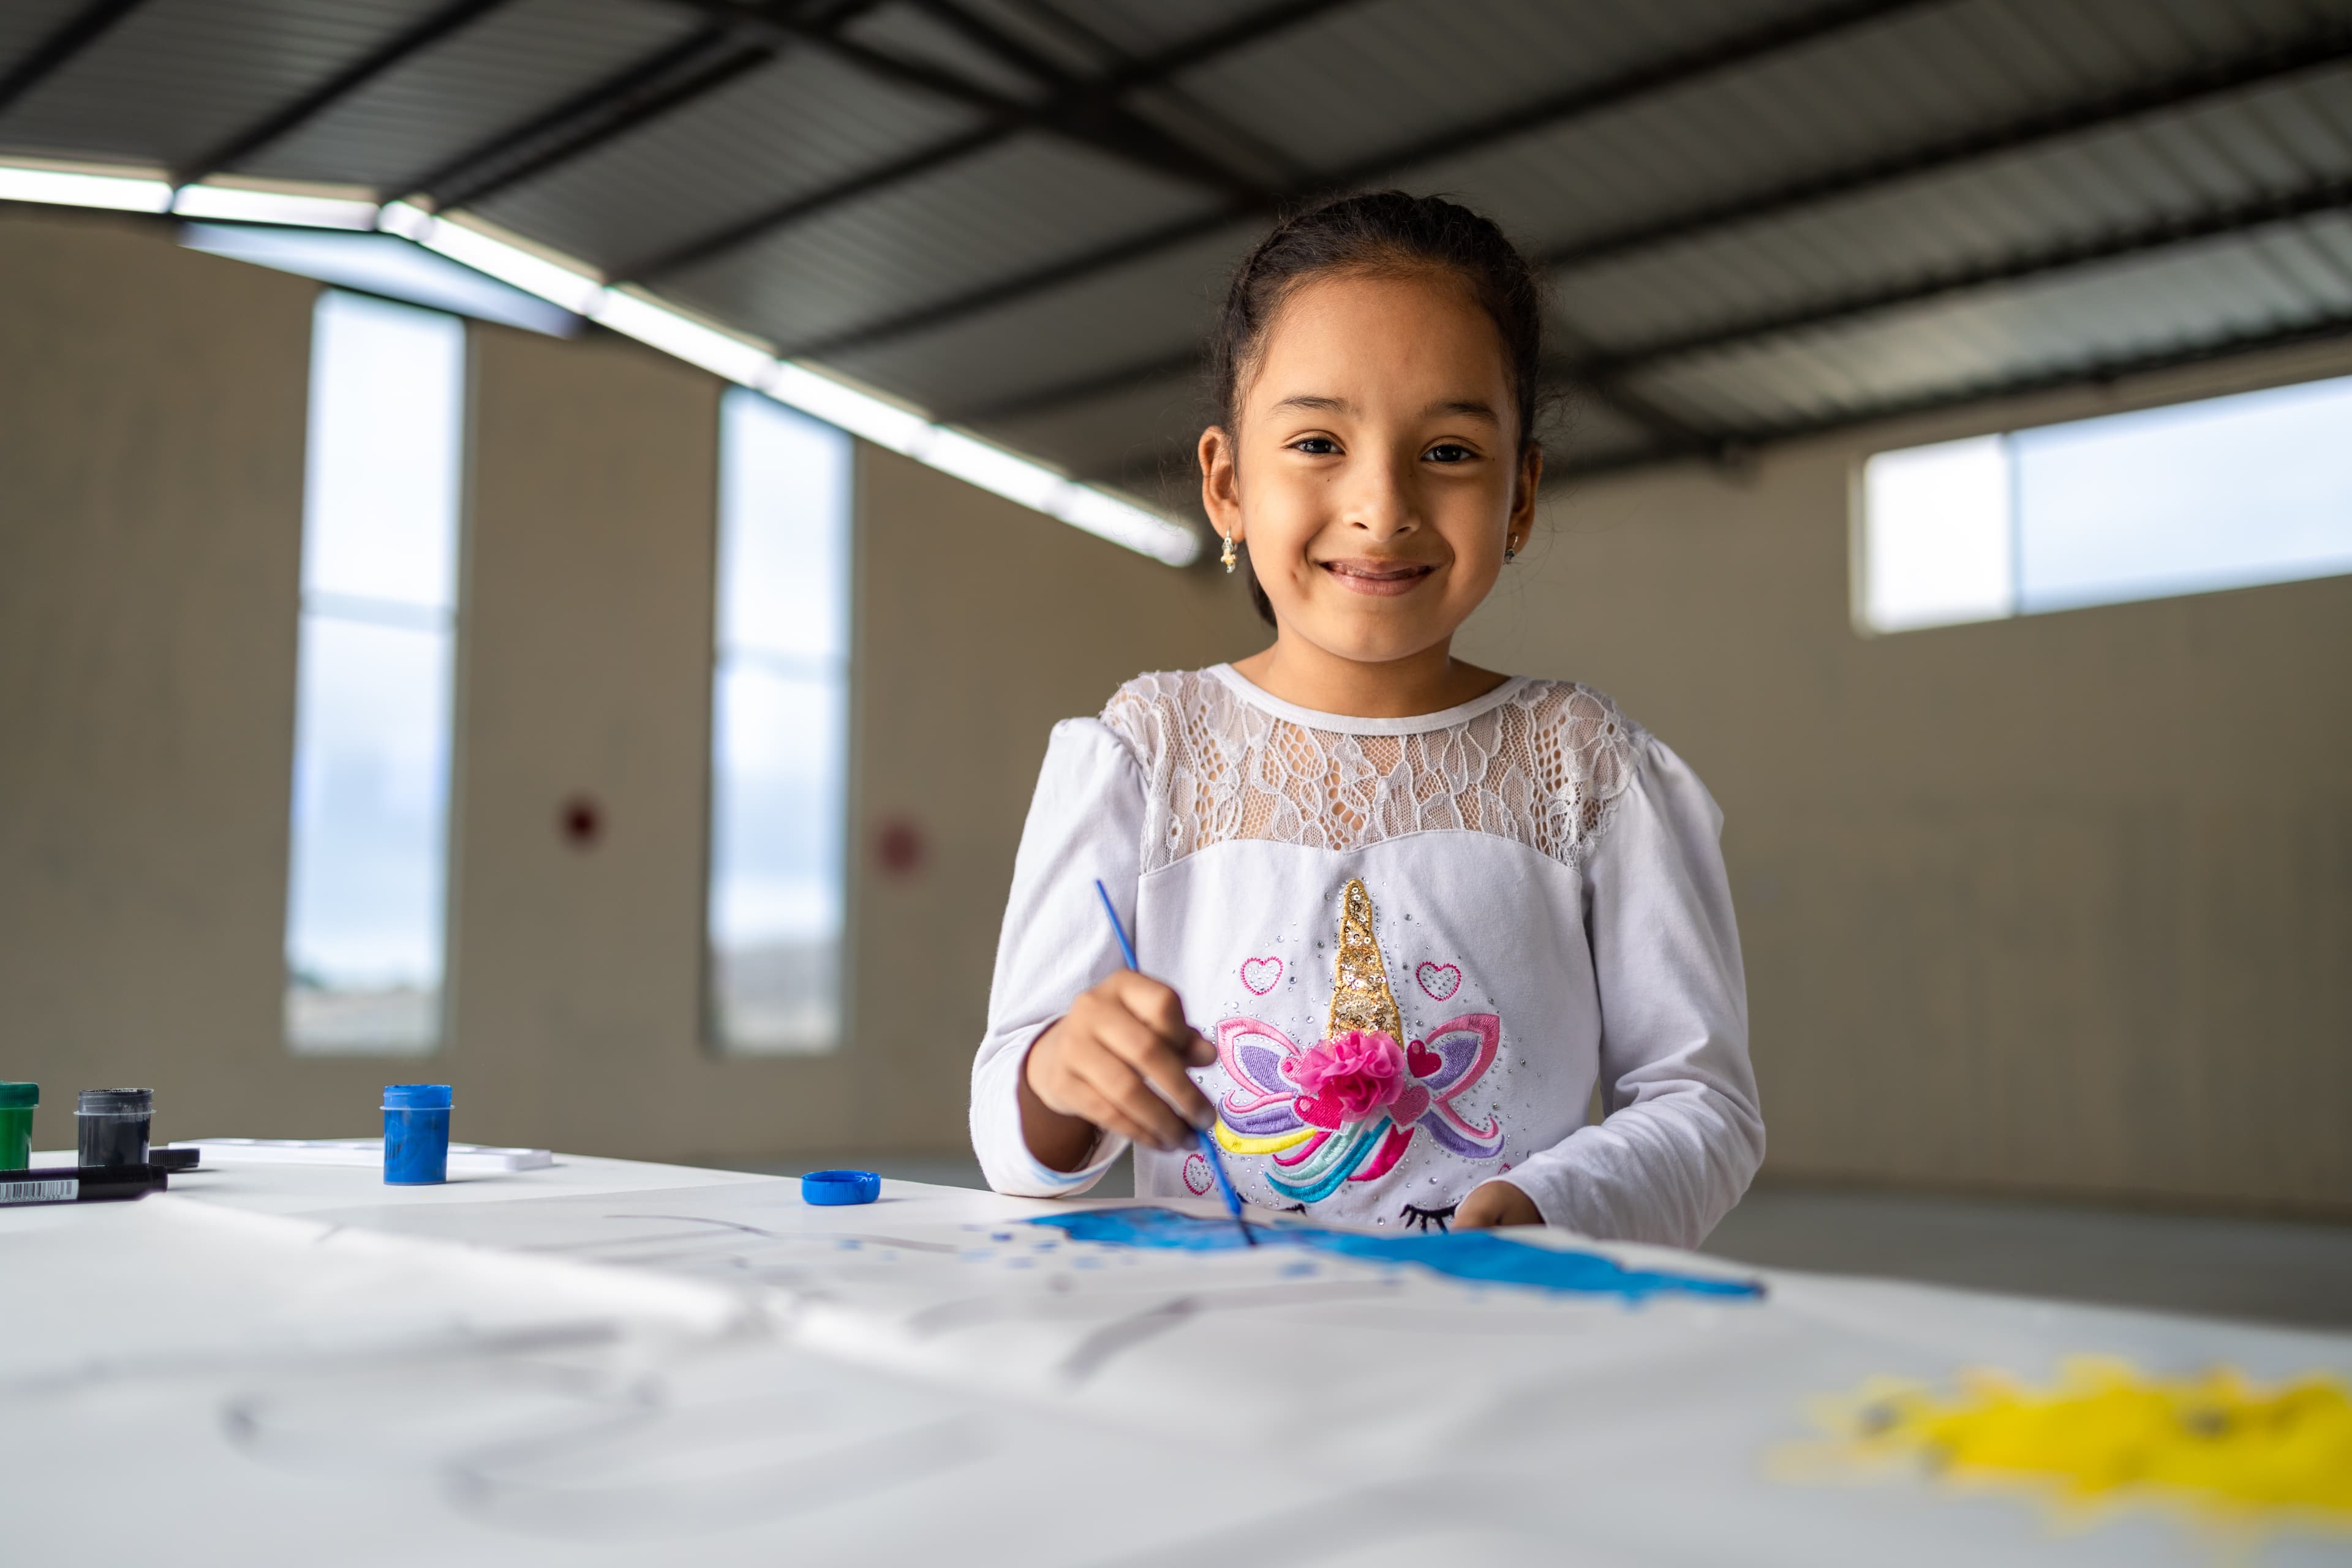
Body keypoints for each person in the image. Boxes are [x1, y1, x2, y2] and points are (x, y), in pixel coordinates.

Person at [969, 191, 1762, 1245]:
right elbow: (1013, 1143)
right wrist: (1063, 1075)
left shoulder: (1589, 769)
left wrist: (1551, 1205)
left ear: (1520, 496)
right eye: (1314, 442)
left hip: (1500, 1351)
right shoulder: (1142, 753)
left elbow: (1703, 1104)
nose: (1382, 505)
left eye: (1447, 452)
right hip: (1214, 1359)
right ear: (1226, 485)